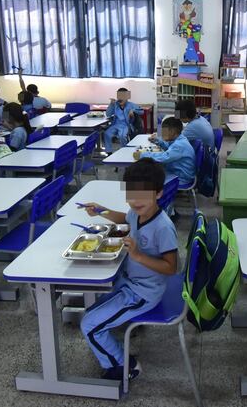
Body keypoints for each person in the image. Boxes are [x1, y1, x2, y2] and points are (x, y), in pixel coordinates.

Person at [79, 158, 178, 381]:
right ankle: (112, 341)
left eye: (143, 196)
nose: (135, 201)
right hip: (130, 282)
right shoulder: (138, 213)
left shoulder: (162, 227)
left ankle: (125, 366)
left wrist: (138, 255)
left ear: (159, 194)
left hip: (144, 293)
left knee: (89, 325)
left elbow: (172, 267)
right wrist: (101, 211)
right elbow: (125, 218)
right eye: (131, 195)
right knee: (93, 312)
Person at [137, 117, 196, 188]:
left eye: (164, 131)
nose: (162, 134)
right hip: (179, 173)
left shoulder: (179, 145)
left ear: (172, 131)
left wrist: (143, 155)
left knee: (149, 177)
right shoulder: (180, 139)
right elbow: (169, 147)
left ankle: (145, 196)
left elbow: (164, 157)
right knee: (151, 173)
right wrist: (157, 141)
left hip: (181, 178)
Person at [104, 87, 143, 152]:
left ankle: (124, 151)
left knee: (122, 136)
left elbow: (141, 111)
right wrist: (111, 105)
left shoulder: (131, 105)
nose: (120, 99)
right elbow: (108, 114)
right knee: (107, 133)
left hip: (125, 125)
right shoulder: (115, 104)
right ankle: (109, 151)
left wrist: (133, 111)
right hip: (116, 124)